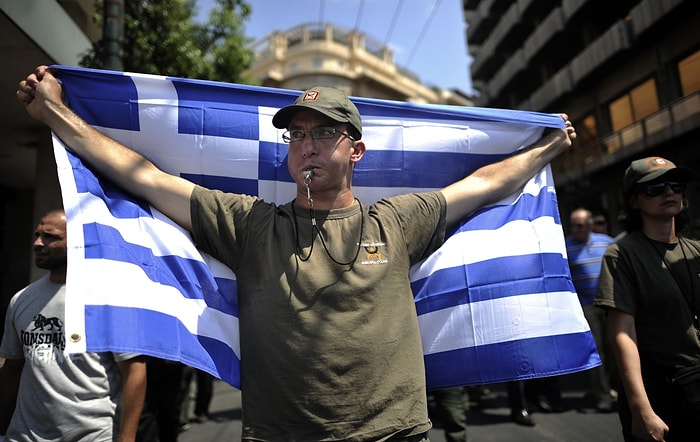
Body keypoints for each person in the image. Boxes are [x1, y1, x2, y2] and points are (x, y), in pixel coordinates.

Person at [16, 65, 576, 441]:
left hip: (393, 436)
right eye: (296, 134)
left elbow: (485, 183)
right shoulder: (250, 224)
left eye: (322, 133)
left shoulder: (398, 220)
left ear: (355, 149)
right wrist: (57, 115)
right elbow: (144, 176)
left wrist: (547, 145)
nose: (305, 144)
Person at [0, 209, 147, 442]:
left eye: (50, 236)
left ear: (78, 241)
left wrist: (126, 438)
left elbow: (134, 372)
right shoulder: (21, 300)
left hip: (91, 435)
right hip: (25, 435)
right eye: (37, 235)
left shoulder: (108, 298)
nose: (38, 243)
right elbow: (11, 370)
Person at [594, 157, 700, 441]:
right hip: (663, 394)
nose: (669, 192)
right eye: (654, 187)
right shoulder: (622, 255)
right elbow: (623, 335)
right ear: (633, 201)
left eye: (676, 185)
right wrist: (641, 408)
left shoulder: (696, 249)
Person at [566, 207, 615, 413]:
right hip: (586, 306)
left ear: (589, 225)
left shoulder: (607, 242)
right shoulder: (566, 247)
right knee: (596, 351)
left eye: (580, 225)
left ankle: (611, 386)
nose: (576, 229)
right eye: (573, 225)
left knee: (614, 347)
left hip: (611, 303)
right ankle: (602, 394)